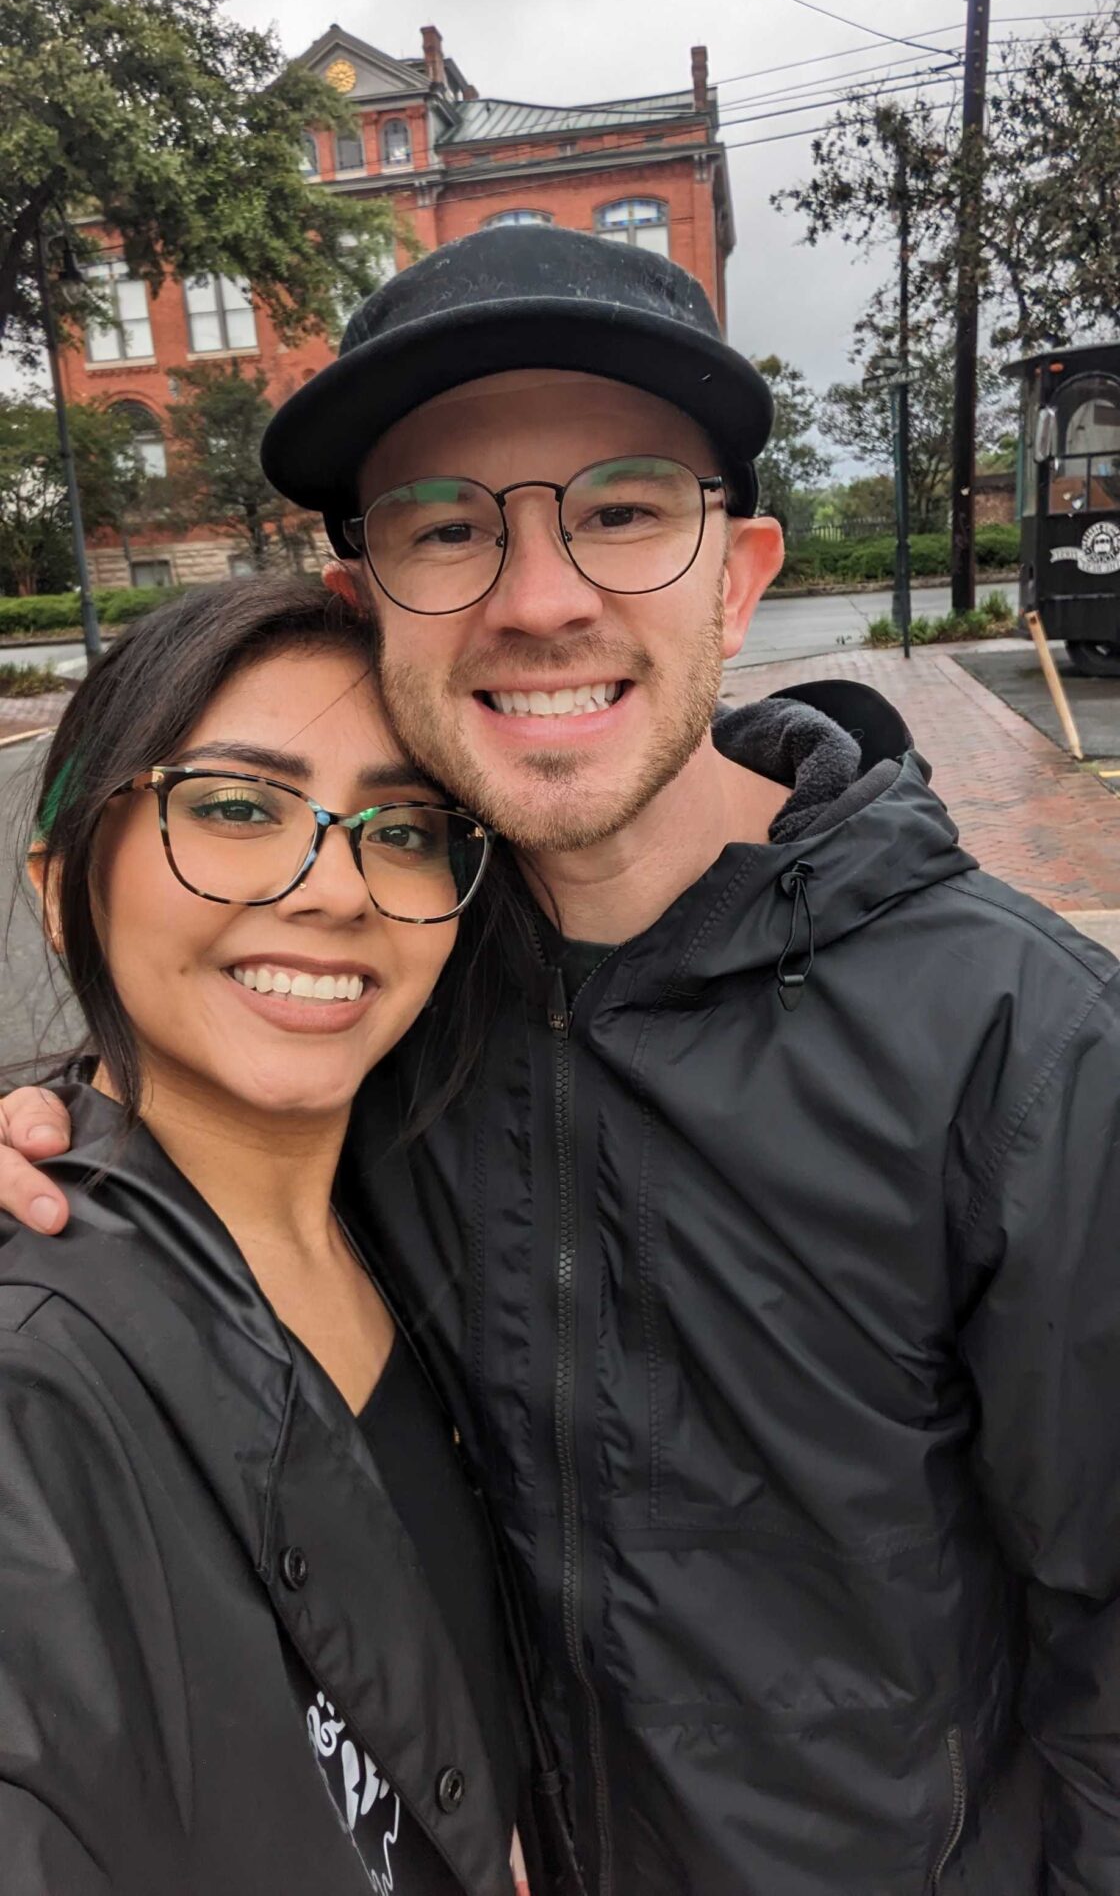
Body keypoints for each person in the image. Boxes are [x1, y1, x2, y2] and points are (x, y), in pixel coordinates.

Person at [4, 226, 1119, 1894]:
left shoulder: (1025, 1056)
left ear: (736, 576)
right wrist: (62, 1130)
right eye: (448, 526)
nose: (540, 598)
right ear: (366, 600)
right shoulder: (392, 974)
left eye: (621, 511)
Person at [0, 576, 556, 1896]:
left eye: (407, 829)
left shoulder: (438, 1215)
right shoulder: (36, 1372)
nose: (337, 889)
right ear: (62, 879)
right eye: (237, 807)